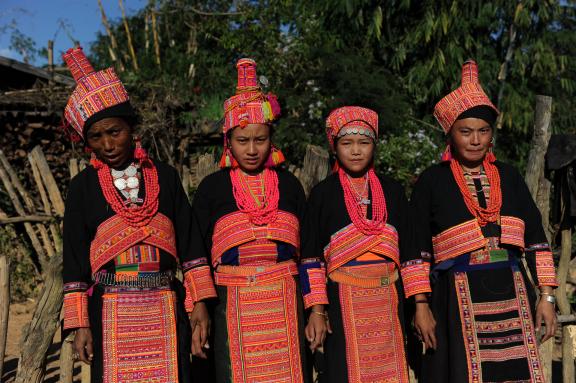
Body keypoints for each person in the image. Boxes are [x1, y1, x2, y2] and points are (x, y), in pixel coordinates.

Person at [61, 47, 217, 383]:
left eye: (114, 132)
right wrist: (80, 325)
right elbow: (74, 262)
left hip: (165, 302)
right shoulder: (82, 187)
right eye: (96, 137)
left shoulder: (165, 176)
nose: (108, 144)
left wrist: (200, 304)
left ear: (131, 128)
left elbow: (190, 245)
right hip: (109, 309)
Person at [412, 60, 558, 382]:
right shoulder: (432, 182)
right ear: (450, 134)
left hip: (512, 288)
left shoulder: (509, 176)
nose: (475, 140)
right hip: (455, 295)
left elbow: (535, 240)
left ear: (491, 134)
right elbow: (416, 250)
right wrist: (421, 305)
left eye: (483, 131)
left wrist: (546, 297)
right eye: (465, 132)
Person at [189, 58, 311, 383]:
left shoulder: (289, 185)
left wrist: (316, 307)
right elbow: (195, 251)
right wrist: (198, 305)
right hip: (232, 301)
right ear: (228, 141)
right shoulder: (212, 189)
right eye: (243, 141)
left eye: (261, 139)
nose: (253, 149)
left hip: (285, 301)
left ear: (272, 139)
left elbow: (309, 250)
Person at [300, 106, 434, 382]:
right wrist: (316, 310)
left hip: (388, 300)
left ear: (375, 145)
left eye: (364, 142)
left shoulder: (393, 191)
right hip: (341, 301)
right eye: (347, 143)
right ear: (334, 148)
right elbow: (311, 258)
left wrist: (421, 305)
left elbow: (410, 254)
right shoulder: (323, 194)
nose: (356, 150)